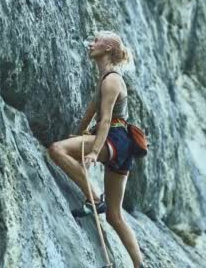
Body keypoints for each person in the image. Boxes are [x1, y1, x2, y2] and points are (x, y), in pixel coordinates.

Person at [48, 30, 144, 267]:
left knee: (57, 150)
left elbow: (104, 120)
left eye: (97, 41)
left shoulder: (111, 80)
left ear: (108, 49)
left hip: (114, 136)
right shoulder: (105, 78)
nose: (91, 44)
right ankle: (140, 265)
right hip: (123, 146)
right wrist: (80, 132)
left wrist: (92, 150)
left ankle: (94, 198)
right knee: (114, 215)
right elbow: (92, 110)